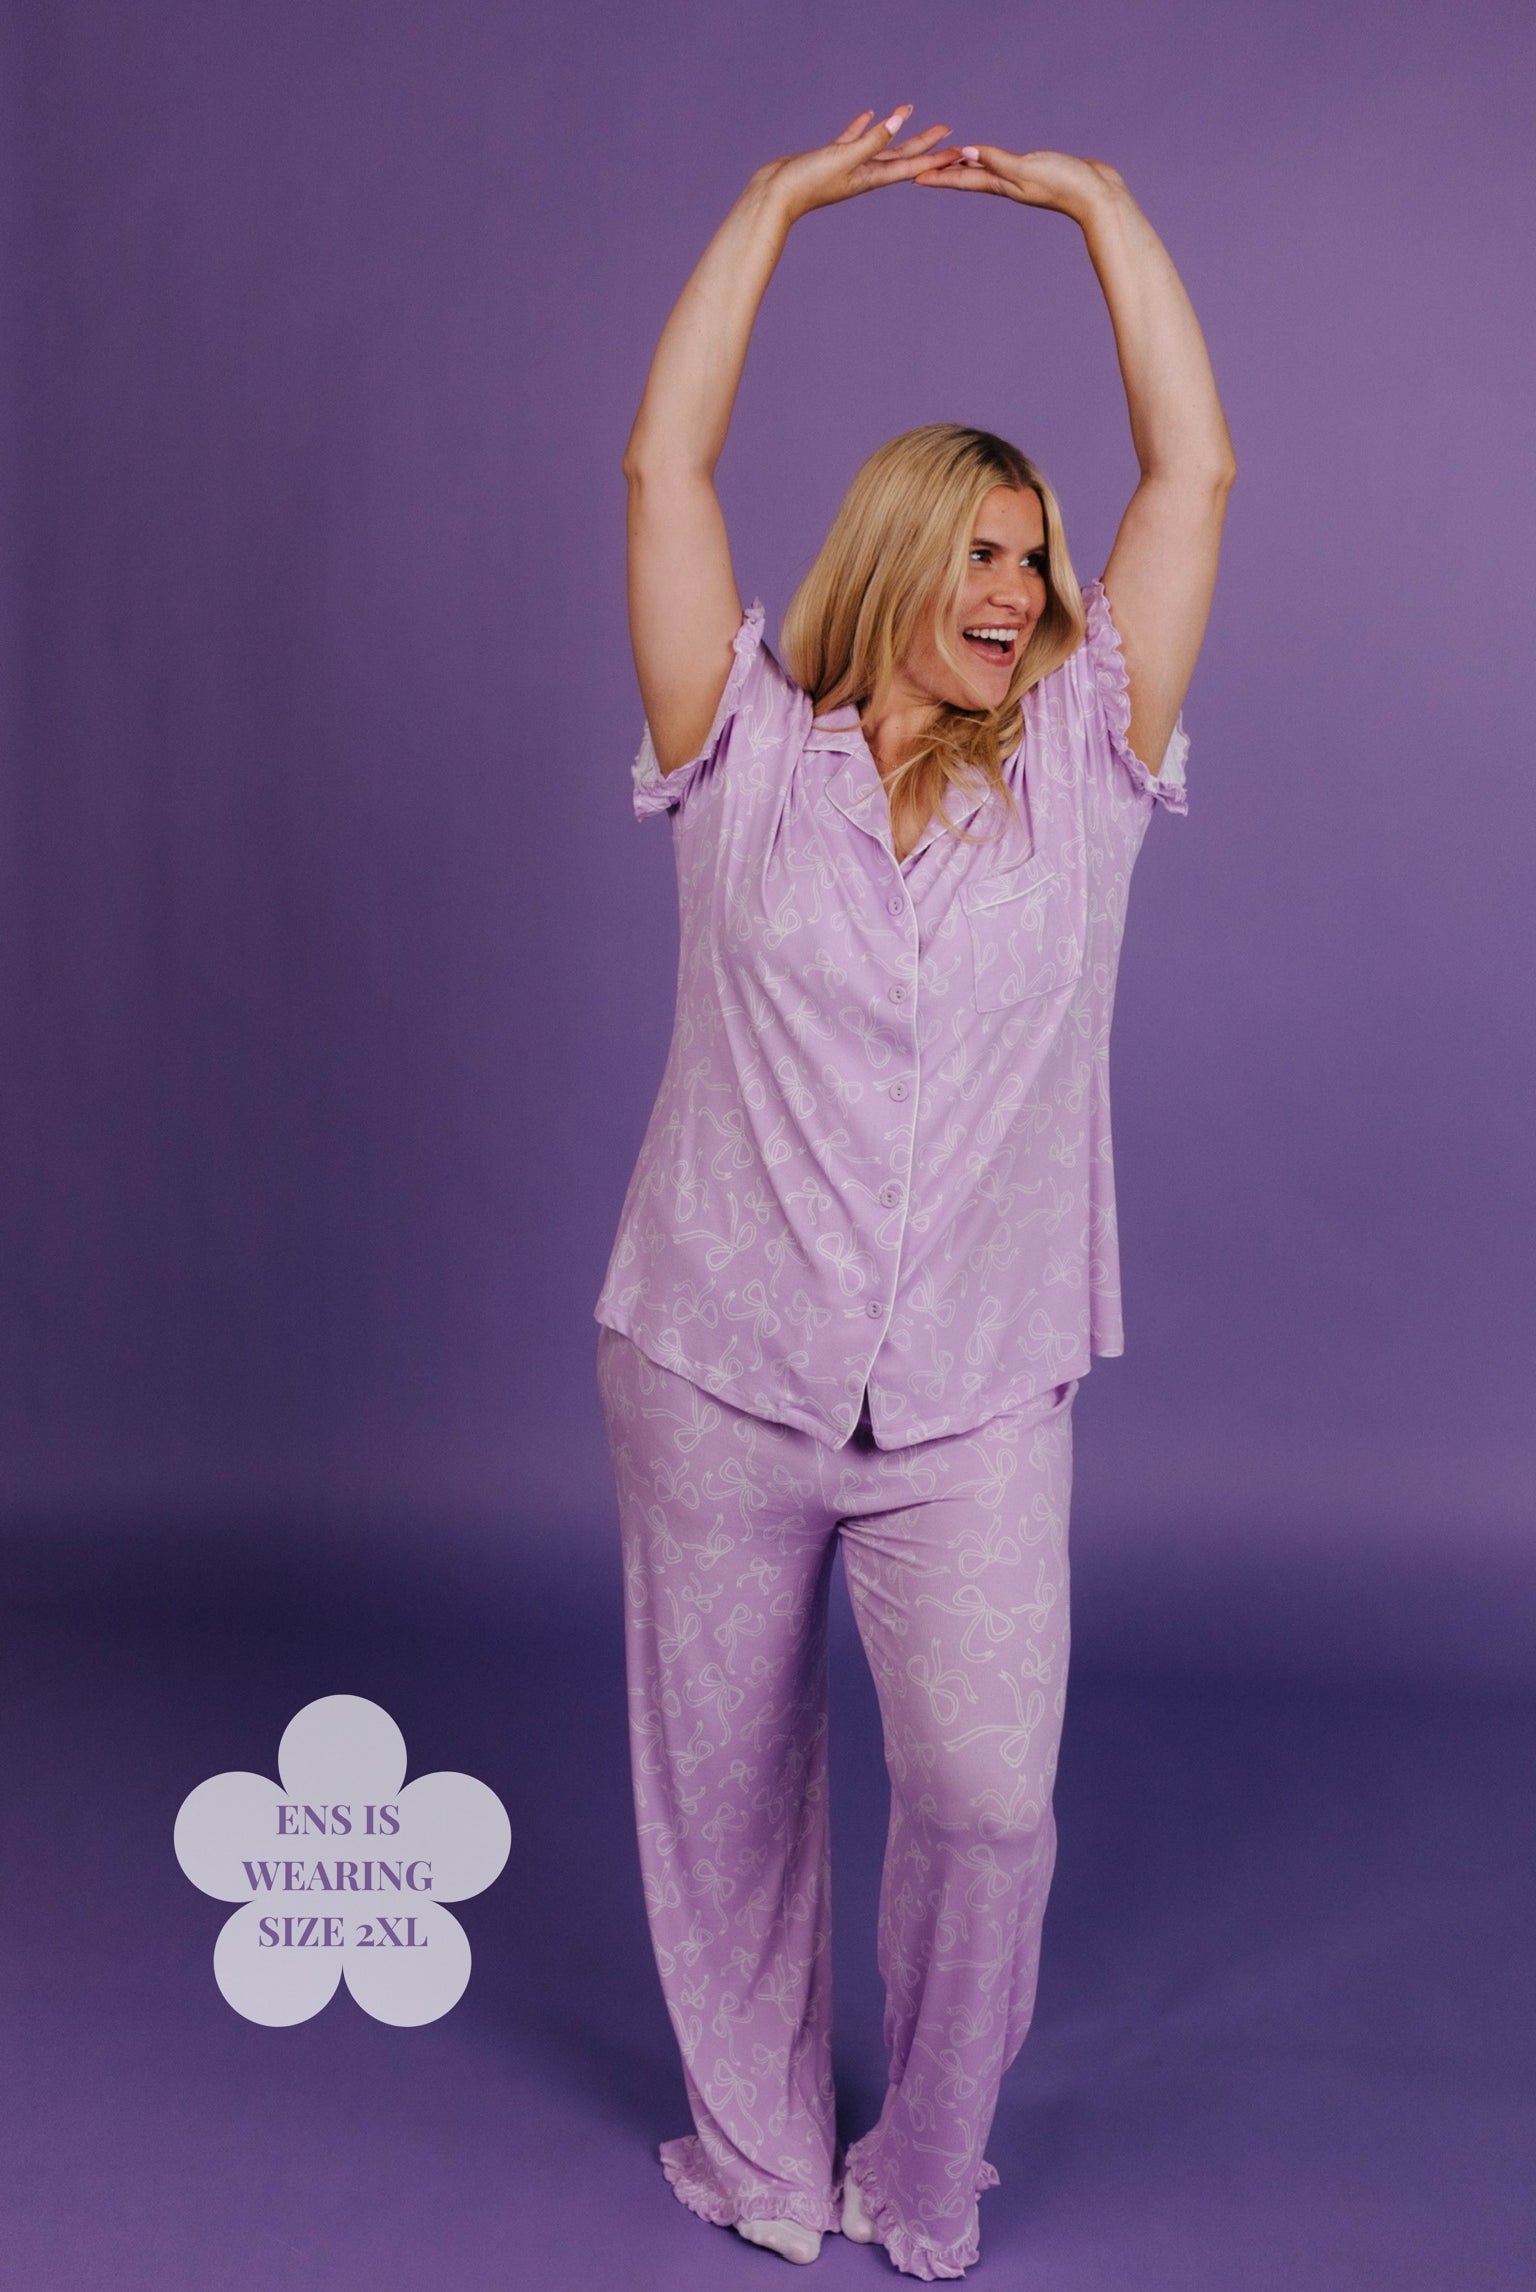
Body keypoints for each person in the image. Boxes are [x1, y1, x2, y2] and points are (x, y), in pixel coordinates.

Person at [594, 107, 1235, 2281]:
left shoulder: (1084, 775)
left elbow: (1201, 479)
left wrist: (1103, 212)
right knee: (725, 1801)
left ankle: (924, 2169)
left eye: (1035, 562)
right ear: (890, 562)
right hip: (711, 1358)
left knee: (985, 1797)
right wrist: (771, 206)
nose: (1018, 591)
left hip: (971, 1389)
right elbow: (662, 476)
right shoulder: (739, 764)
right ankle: (761, 2157)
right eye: (978, 551)